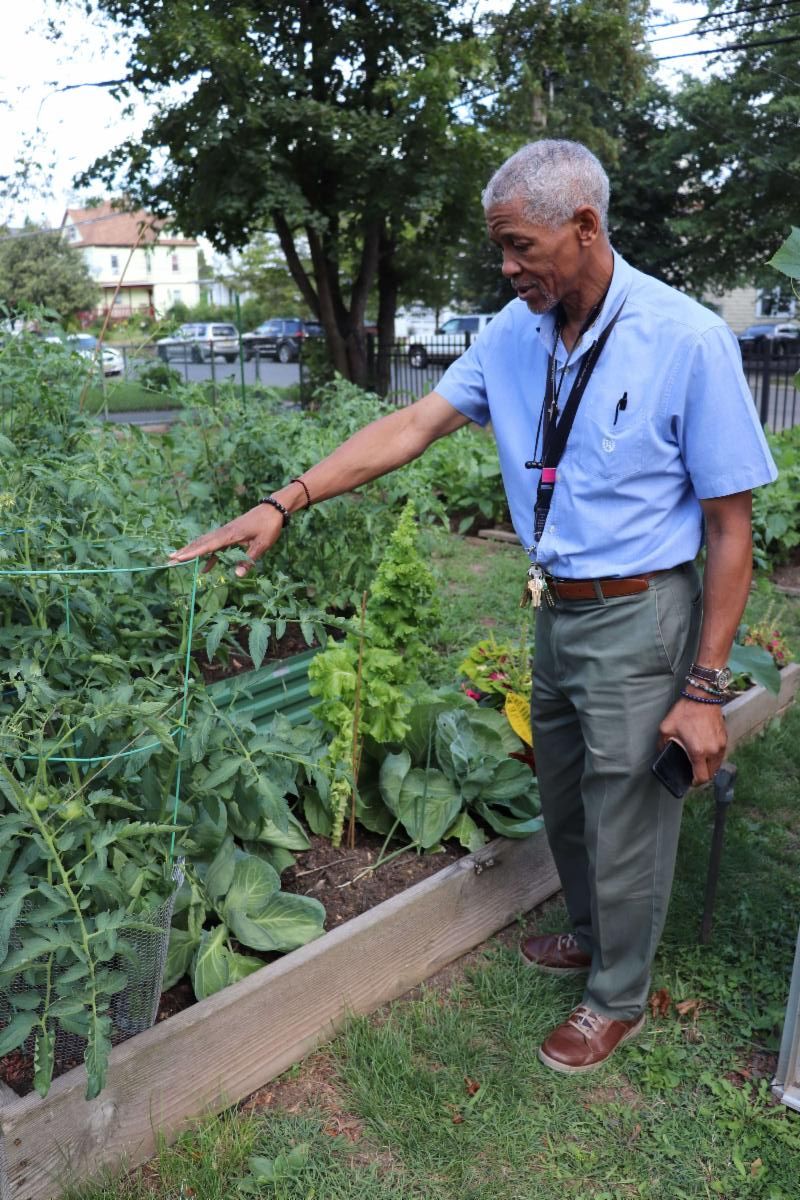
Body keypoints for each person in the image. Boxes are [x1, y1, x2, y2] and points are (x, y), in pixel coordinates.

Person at [170, 139, 777, 1074]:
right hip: (555, 607)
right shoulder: (512, 333)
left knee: (628, 809)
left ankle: (618, 996)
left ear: (585, 227)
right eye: (500, 248)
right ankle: (588, 933)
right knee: (566, 793)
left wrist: (702, 687)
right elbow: (411, 425)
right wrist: (282, 501)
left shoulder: (685, 339)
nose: (506, 267)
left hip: (642, 610)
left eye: (519, 247)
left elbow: (730, 527)